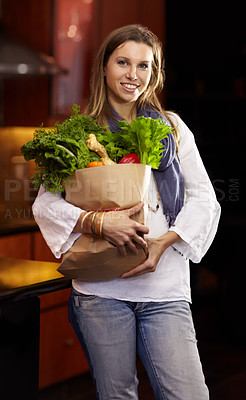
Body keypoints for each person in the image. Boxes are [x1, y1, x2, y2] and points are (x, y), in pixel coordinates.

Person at [33, 24, 221, 400]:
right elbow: (45, 203)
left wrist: (163, 243)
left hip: (164, 288)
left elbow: (204, 198)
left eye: (144, 66)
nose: (133, 75)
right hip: (100, 291)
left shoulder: (173, 129)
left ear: (155, 73)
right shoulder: (78, 132)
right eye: (122, 62)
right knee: (118, 395)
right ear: (104, 67)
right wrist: (99, 222)